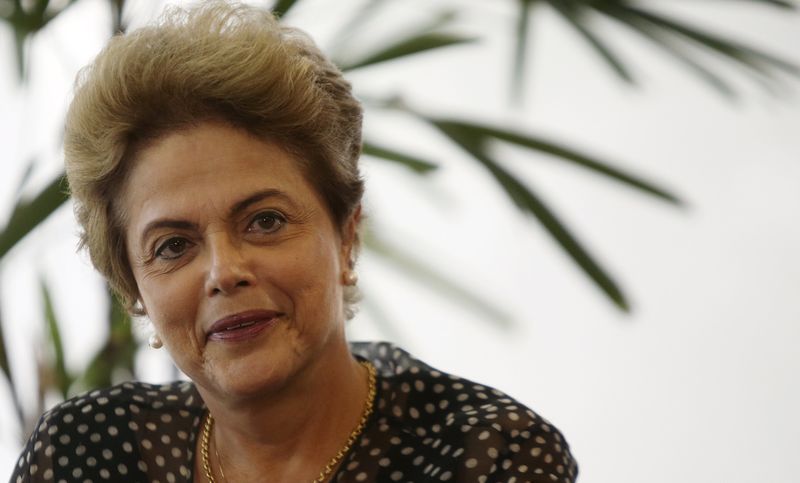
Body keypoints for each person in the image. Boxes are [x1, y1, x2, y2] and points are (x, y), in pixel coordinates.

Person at [10, 2, 578, 482]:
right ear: (134, 288)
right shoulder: (83, 454)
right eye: (173, 246)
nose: (223, 272)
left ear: (347, 234)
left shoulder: (489, 453)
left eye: (265, 221)